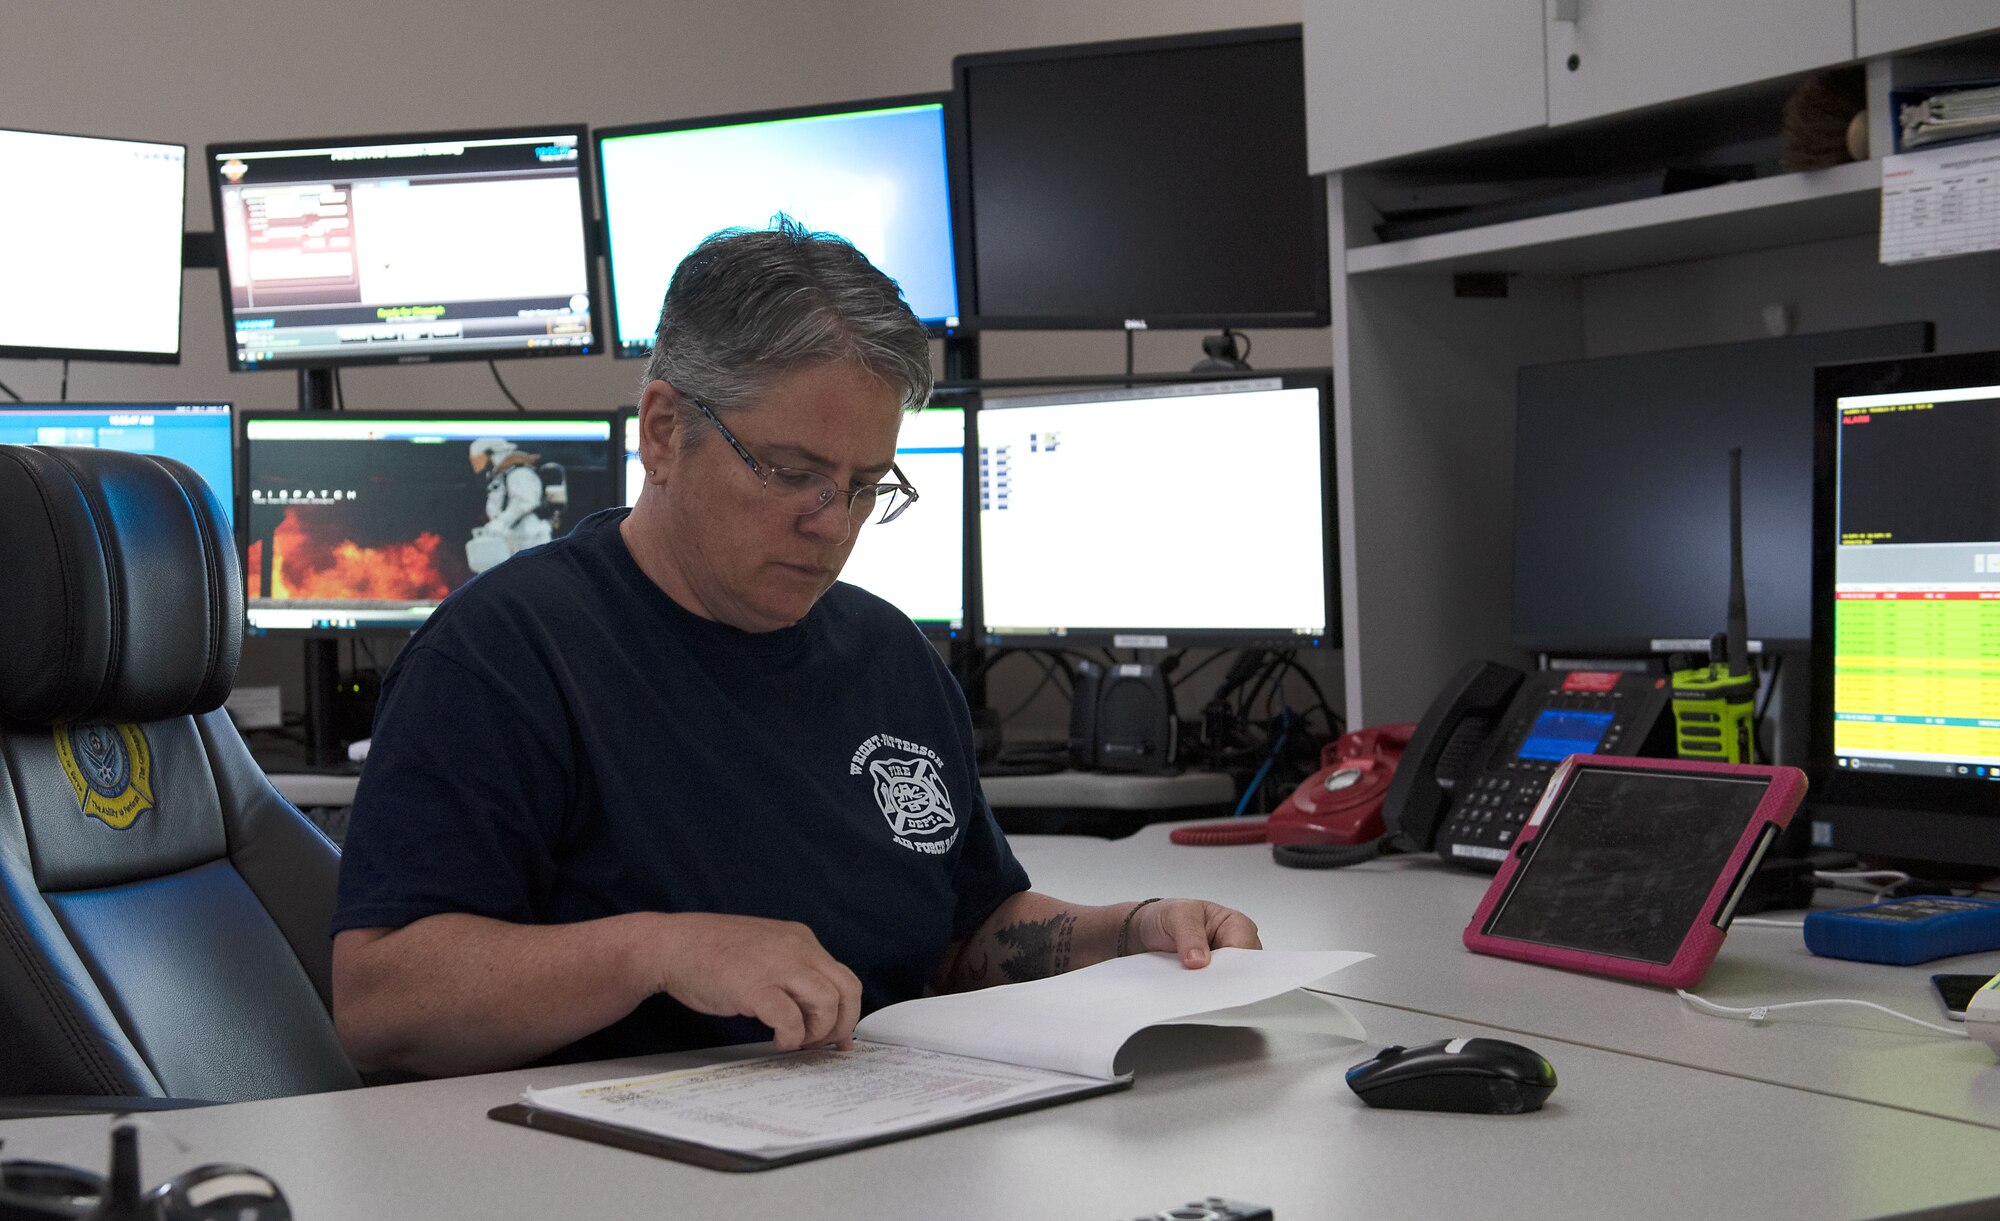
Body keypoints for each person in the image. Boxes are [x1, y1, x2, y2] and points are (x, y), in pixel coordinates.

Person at [330, 218, 1260, 1078]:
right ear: (664, 432)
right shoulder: (505, 657)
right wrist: (658, 951)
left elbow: (964, 935)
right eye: (793, 473)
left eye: (866, 485)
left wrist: (1130, 934)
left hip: (879, 1143)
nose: (833, 523)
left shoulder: (889, 657)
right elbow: (380, 1001)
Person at [465, 437, 559, 573]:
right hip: (512, 542)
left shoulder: (520, 473)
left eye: (479, 460)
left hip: (531, 539)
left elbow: (526, 501)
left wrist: (501, 522)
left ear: (492, 454)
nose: (478, 467)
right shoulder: (500, 479)